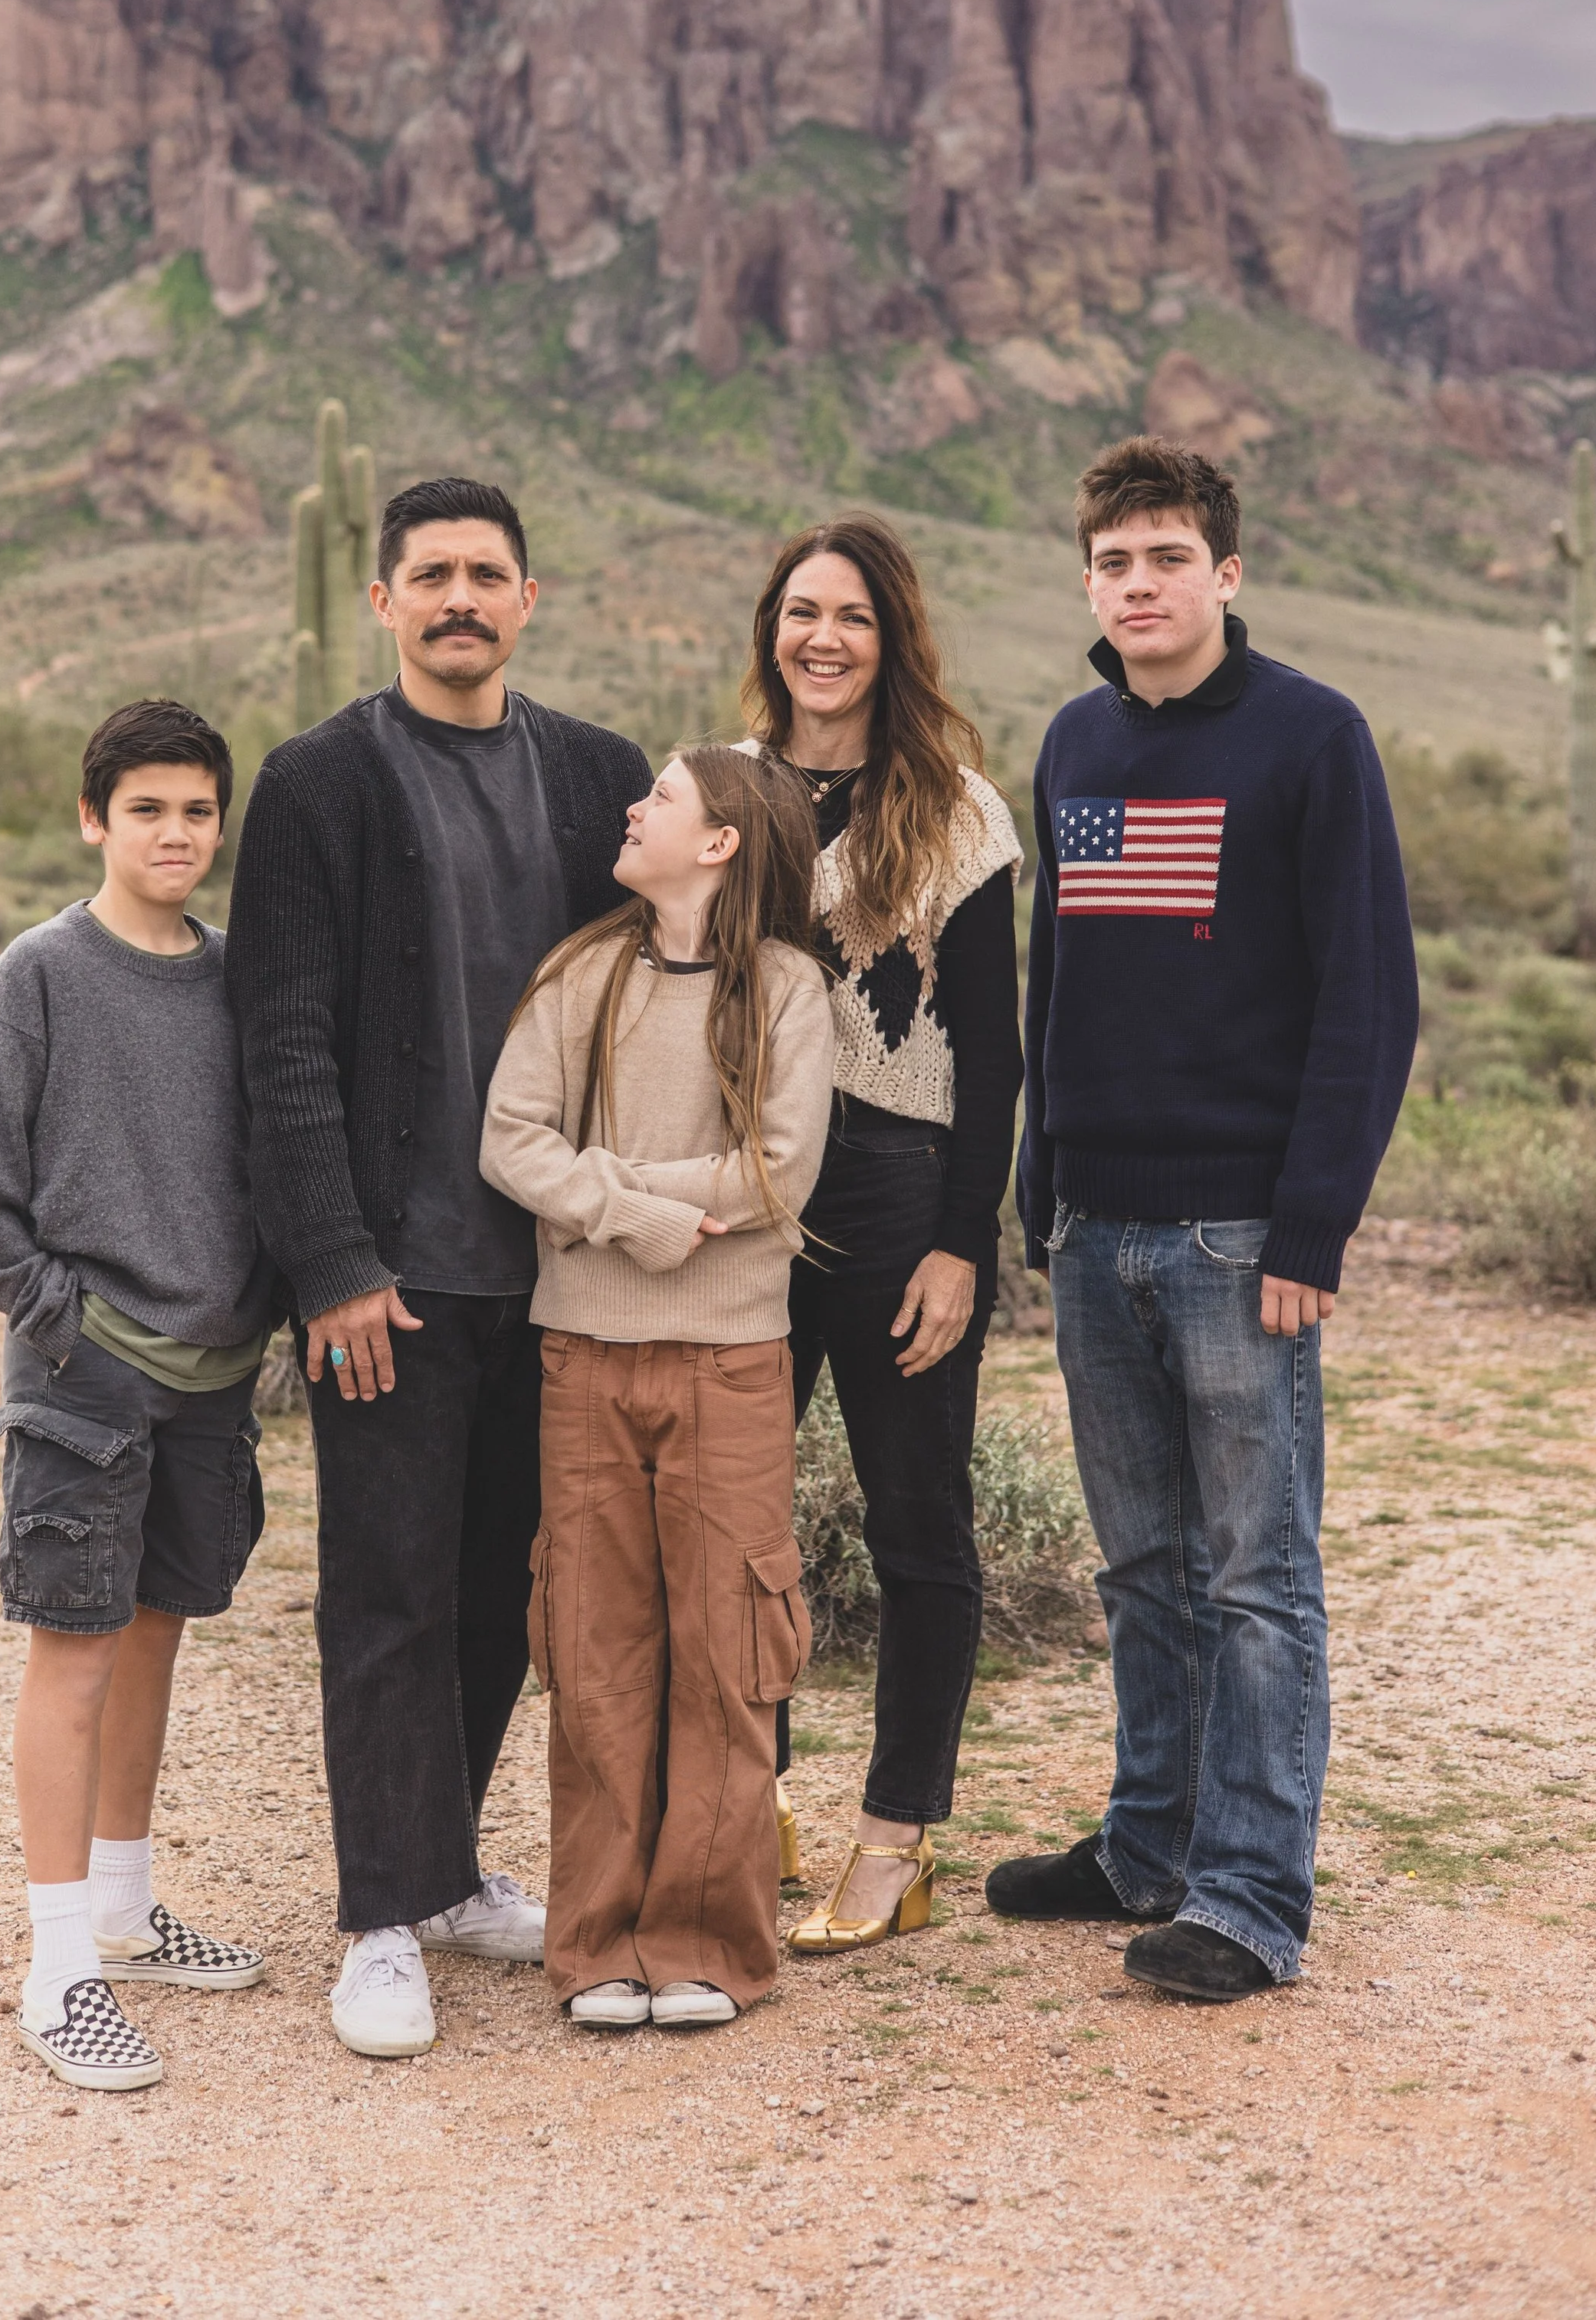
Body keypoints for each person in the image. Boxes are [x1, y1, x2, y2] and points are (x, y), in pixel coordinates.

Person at [223, 477, 651, 2059]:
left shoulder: (598, 775)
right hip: (390, 1278)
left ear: (527, 598)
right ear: (383, 600)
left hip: (561, 1278)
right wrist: (331, 1262)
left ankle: (448, 1870)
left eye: (486, 573)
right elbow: (280, 1042)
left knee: (496, 1591)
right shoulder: (316, 783)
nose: (459, 597)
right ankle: (381, 1920)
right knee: (387, 1592)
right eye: (431, 575)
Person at [997, 436, 1418, 2001]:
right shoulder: (1074, 740)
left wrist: (1313, 1224)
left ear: (1224, 574)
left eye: (1168, 558)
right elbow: (1060, 972)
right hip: (1094, 1223)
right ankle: (1147, 1843)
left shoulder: (1311, 736)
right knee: (1140, 1567)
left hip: (1238, 1234)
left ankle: (1247, 1895)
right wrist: (1040, 1180)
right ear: (1086, 583)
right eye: (1114, 562)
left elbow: (1368, 995)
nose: (1140, 584)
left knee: (1254, 1575)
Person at [0, 700, 278, 2093]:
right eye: (147, 809)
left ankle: (126, 1908)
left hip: (214, 1373)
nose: (174, 833)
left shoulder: (240, 976)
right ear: (95, 819)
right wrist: (63, 1318)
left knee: (155, 1632)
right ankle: (58, 1966)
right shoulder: (40, 974)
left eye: (197, 810)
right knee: (73, 1647)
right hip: (85, 1375)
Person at [481, 744, 834, 2025]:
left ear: (722, 841)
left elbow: (779, 1171)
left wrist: (610, 1195)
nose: (633, 809)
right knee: (595, 1652)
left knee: (728, 1651)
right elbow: (510, 1138)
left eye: (664, 798)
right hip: (583, 1355)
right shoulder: (579, 974)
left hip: (732, 1359)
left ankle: (706, 1945)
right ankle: (594, 1944)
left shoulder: (788, 989)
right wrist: (643, 1214)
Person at [742, 514, 1024, 1952]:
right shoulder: (724, 789)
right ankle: (754, 1801)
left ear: (892, 638)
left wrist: (963, 1242)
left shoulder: (956, 814)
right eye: (803, 611)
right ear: (771, 630)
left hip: (899, 1188)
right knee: (741, 1523)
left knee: (917, 1523)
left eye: (853, 615)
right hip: (752, 1193)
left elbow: (995, 1052)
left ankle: (896, 1836)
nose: (825, 638)